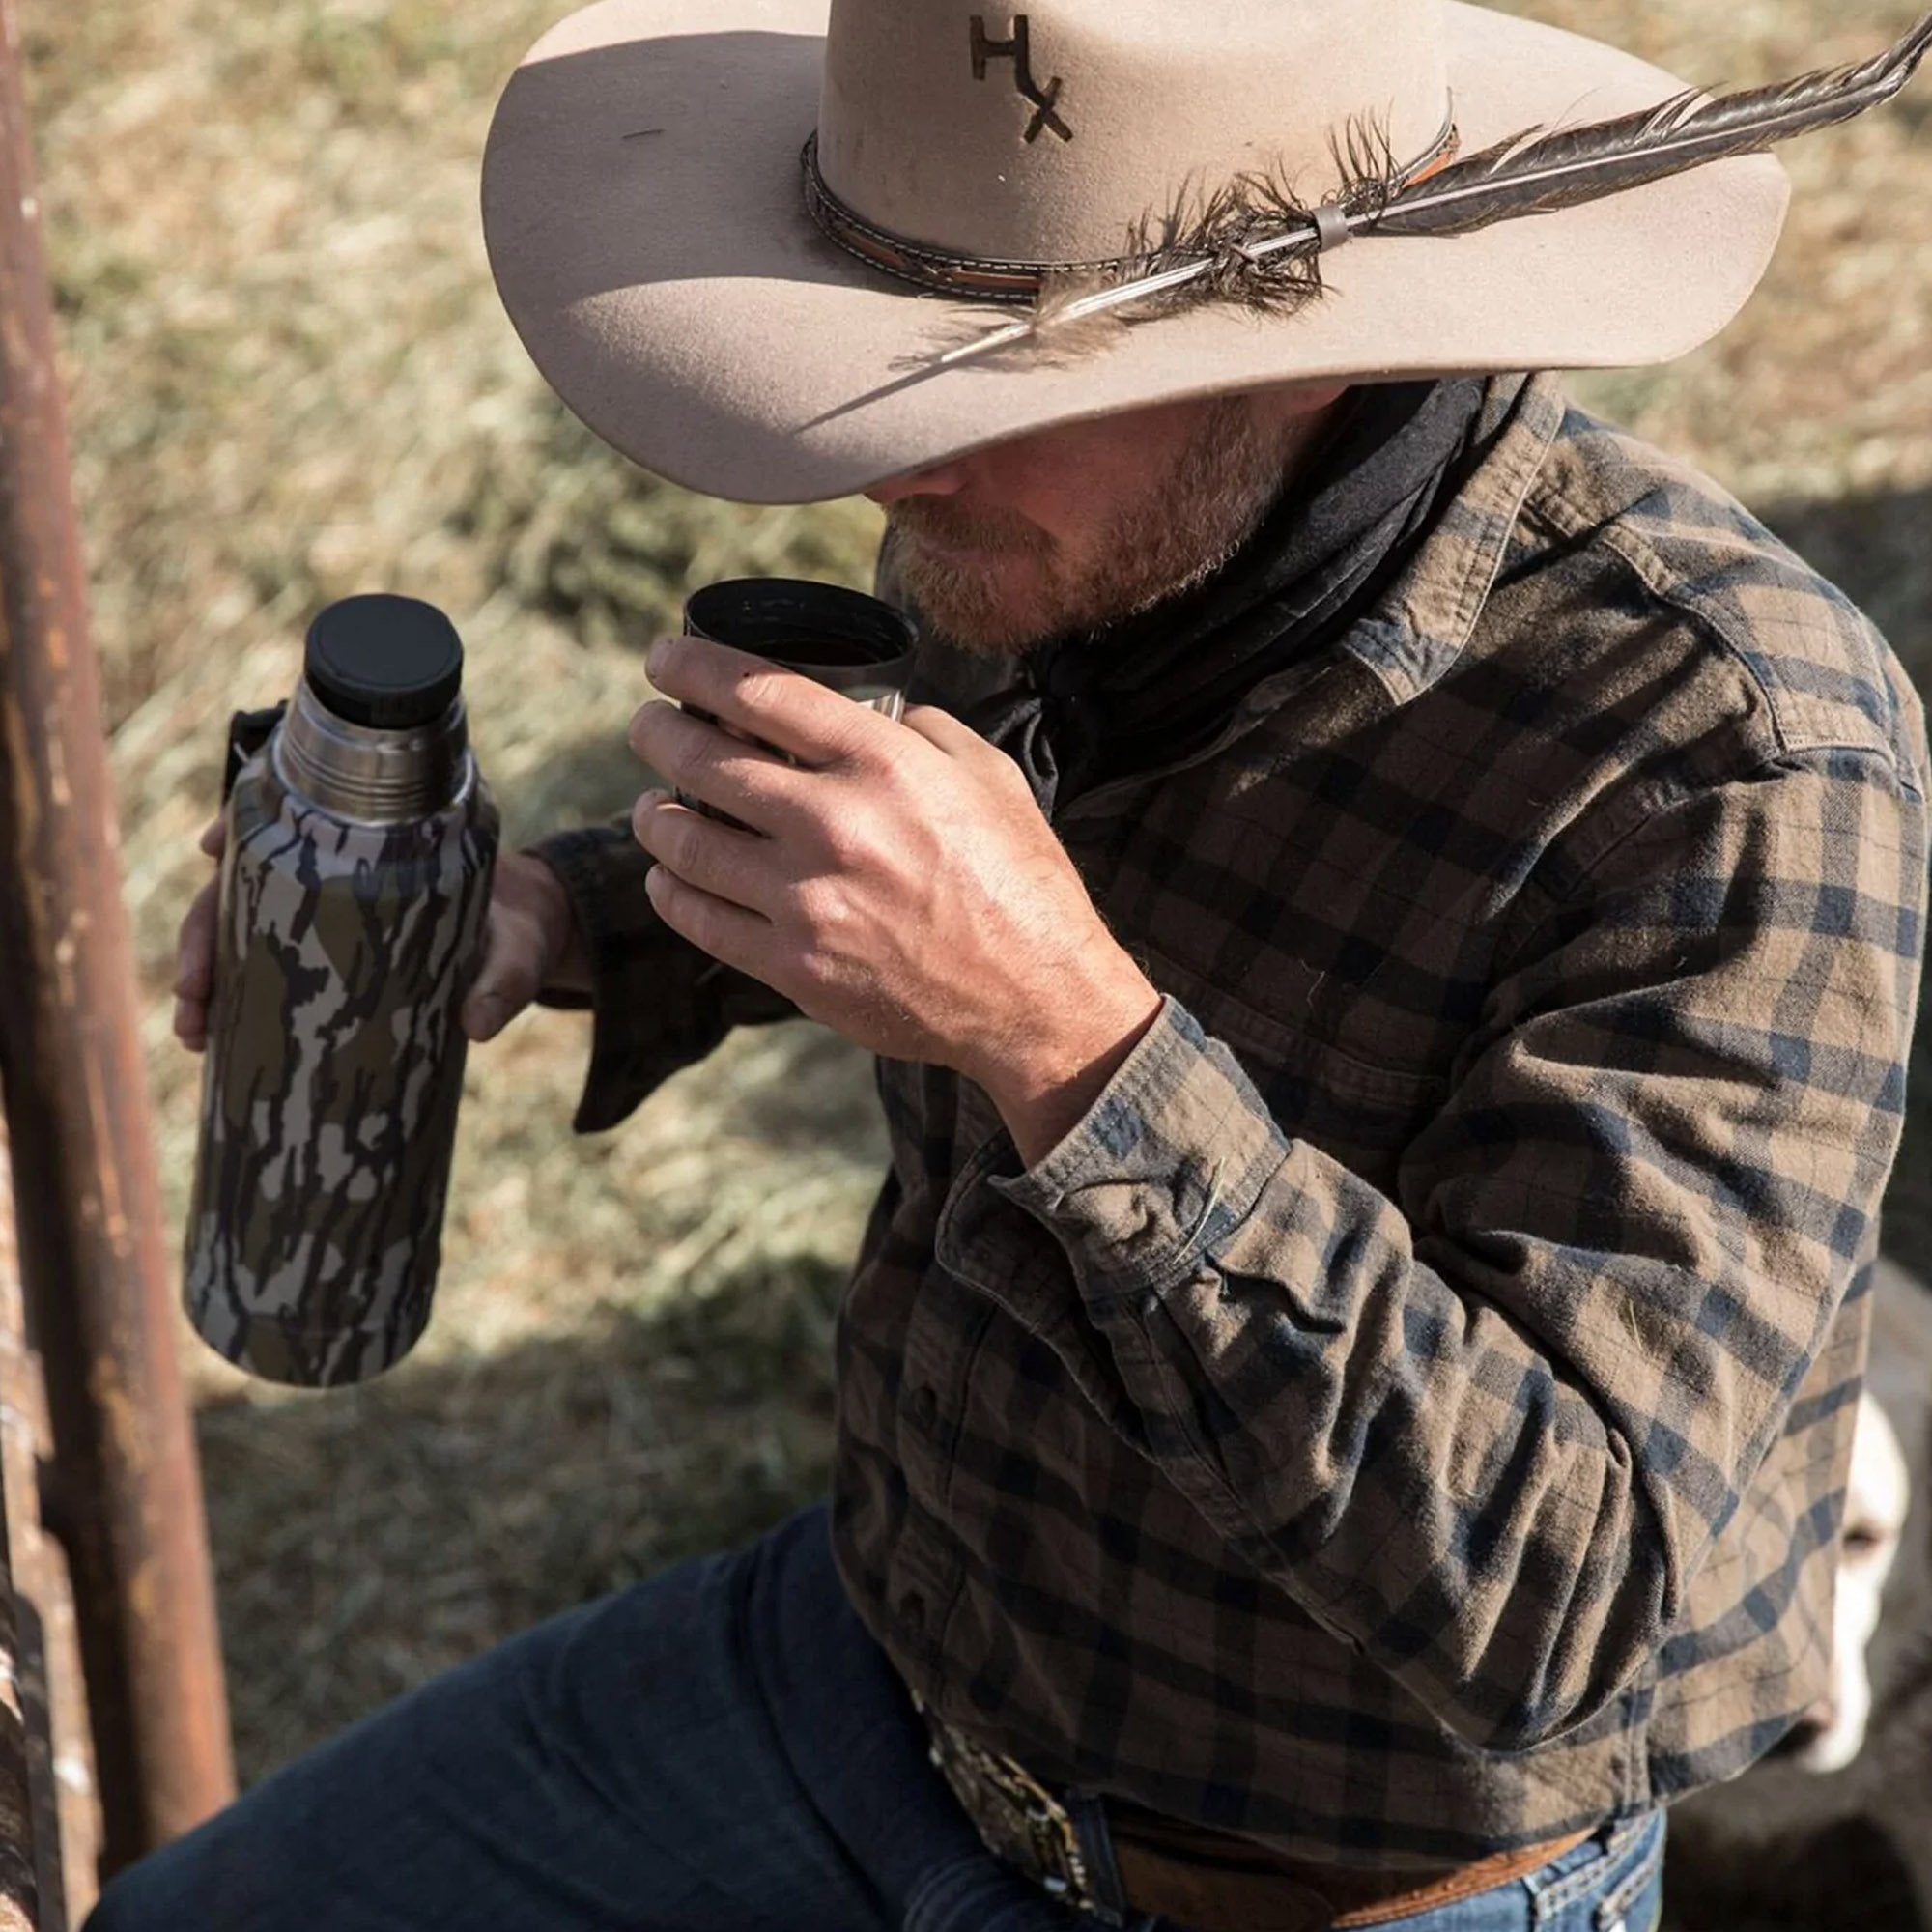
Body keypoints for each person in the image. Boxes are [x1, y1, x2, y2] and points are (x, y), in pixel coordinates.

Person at [108, 1, 1930, 1928]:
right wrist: (564, 912)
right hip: (876, 1681)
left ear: (1300, 350)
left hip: (1331, 1883)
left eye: (975, 375)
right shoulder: (1057, 511)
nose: (889, 468)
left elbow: (1572, 1607)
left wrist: (1068, 1040)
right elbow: (911, 864)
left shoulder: (1731, 757)